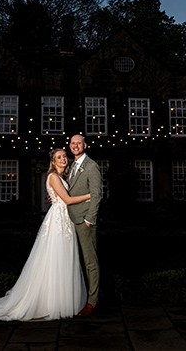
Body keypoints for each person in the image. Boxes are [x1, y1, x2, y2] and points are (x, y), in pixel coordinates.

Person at [0, 148, 91, 321]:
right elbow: (68, 200)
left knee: (64, 259)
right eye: (59, 157)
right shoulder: (54, 177)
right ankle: (53, 303)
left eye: (64, 156)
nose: (63, 158)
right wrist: (90, 195)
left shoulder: (63, 177)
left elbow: (66, 198)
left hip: (65, 219)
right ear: (53, 162)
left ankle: (60, 301)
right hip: (58, 222)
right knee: (56, 258)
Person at [67, 134, 102, 317]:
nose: (75, 145)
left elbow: (97, 194)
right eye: (72, 143)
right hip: (71, 219)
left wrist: (89, 219)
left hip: (84, 221)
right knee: (75, 261)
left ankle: (92, 302)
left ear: (85, 145)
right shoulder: (72, 166)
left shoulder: (92, 166)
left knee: (90, 263)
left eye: (78, 143)